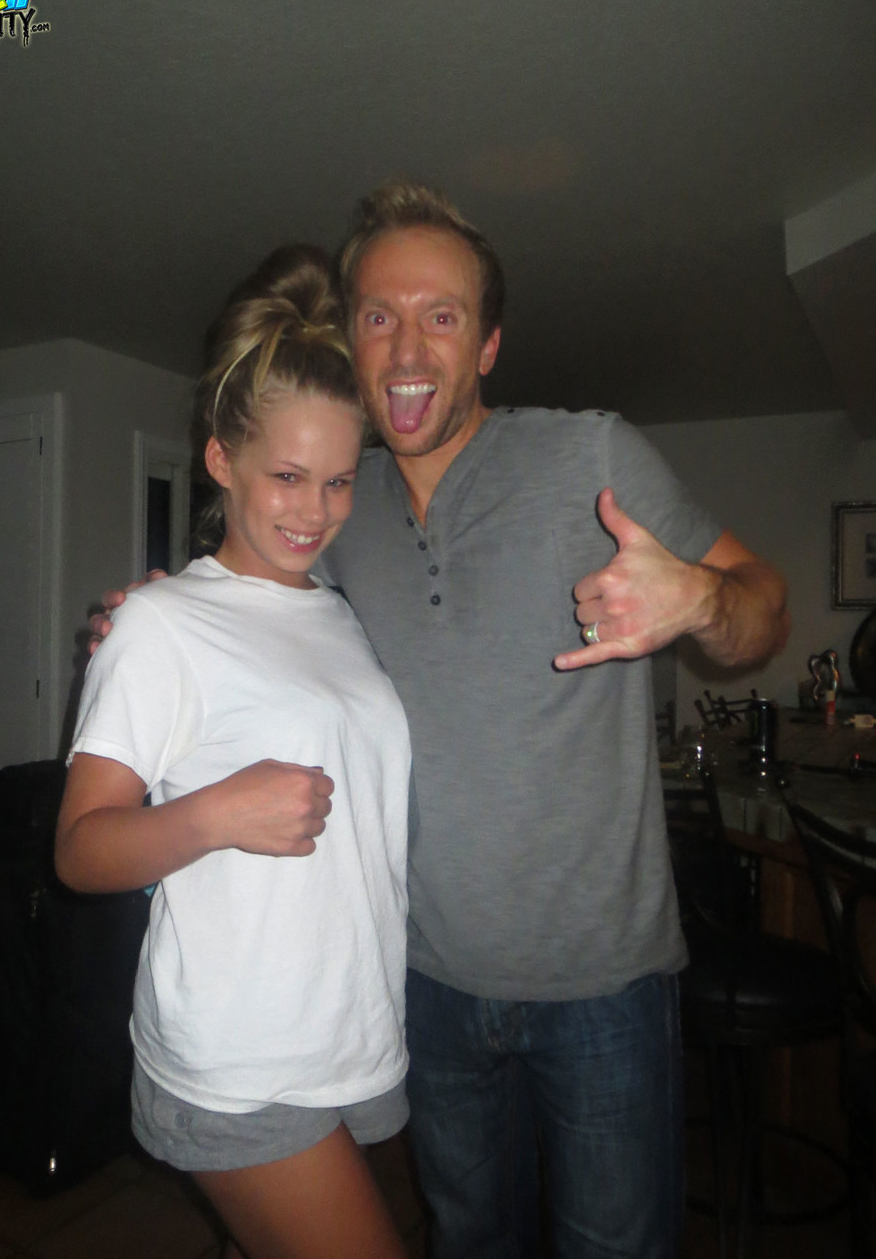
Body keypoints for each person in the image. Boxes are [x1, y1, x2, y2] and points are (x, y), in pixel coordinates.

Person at [97, 185, 789, 1259]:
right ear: (350, 334)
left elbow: (765, 606)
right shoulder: (342, 499)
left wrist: (701, 599)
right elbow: (255, 594)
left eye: (443, 315)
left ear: (489, 345)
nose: (409, 347)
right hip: (428, 986)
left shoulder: (593, 460)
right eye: (380, 314)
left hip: (600, 984)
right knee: (472, 1240)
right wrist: (155, 609)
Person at [59, 244, 413, 1259]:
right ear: (221, 460)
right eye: (287, 477)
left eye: (338, 481)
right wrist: (217, 811)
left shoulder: (340, 613)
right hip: (240, 1056)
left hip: (344, 1026)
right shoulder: (159, 624)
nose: (315, 511)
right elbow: (79, 850)